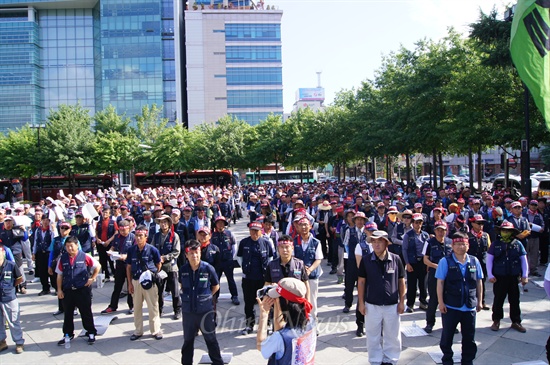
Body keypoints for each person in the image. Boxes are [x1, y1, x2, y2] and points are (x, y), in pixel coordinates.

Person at [357, 230, 405, 365]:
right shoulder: (366, 260)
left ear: (386, 243)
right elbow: (361, 282)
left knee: (393, 335)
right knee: (372, 335)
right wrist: (361, 303)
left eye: (379, 241)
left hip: (392, 304)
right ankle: (375, 359)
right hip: (372, 304)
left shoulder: (396, 259)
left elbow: (401, 281)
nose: (376, 245)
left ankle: (391, 358)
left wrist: (402, 301)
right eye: (374, 242)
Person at [436, 232, 483, 365]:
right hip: (451, 305)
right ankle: (447, 359)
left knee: (469, 337)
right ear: (452, 246)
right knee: (447, 336)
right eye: (457, 244)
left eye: (463, 244)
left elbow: (479, 282)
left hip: (469, 306)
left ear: (468, 245)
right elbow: (440, 283)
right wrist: (440, 302)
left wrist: (480, 301)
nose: (460, 247)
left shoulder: (474, 261)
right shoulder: (445, 261)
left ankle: (467, 361)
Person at [180, 239, 224, 365]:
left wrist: (206, 297)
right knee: (188, 341)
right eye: (191, 253)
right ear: (186, 254)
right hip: (188, 312)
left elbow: (216, 286)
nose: (195, 255)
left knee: (211, 339)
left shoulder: (208, 268)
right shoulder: (183, 270)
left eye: (197, 252)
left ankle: (217, 362)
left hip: (205, 311)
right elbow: (182, 286)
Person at [256, 277, 316, 365]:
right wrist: (278, 299)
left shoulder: (280, 337)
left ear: (286, 302)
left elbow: (260, 345)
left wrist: (264, 315)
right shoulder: (310, 320)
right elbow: (280, 328)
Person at [55, 236, 101, 345]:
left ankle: (90, 332)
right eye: (67, 246)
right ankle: (68, 333)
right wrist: (59, 290)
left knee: (86, 312)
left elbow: (97, 266)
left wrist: (92, 278)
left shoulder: (84, 256)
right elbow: (59, 275)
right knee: (68, 314)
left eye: (71, 246)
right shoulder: (63, 258)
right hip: (68, 290)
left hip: (82, 289)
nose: (69, 248)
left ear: (77, 245)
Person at [487, 220, 529, 333]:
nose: (506, 232)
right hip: (499, 277)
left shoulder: (517, 244)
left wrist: (525, 275)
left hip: (513, 276)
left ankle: (516, 321)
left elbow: (523, 260)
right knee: (498, 299)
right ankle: (496, 320)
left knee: (515, 300)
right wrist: (490, 274)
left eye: (508, 231)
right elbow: (489, 260)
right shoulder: (495, 244)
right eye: (504, 230)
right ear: (500, 231)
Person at [125, 225, 163, 340]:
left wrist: (153, 275)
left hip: (149, 282)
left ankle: (155, 330)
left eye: (141, 236)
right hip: (136, 281)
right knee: (137, 307)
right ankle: (138, 331)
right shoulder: (131, 250)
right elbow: (128, 267)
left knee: (153, 306)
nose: (138, 238)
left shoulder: (152, 249)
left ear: (146, 237)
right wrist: (130, 283)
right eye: (136, 236)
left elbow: (158, 264)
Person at [237, 221, 274, 335]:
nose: (254, 233)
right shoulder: (244, 242)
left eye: (257, 231)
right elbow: (239, 257)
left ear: (261, 231)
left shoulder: (266, 243)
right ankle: (249, 324)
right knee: (248, 303)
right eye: (252, 230)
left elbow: (271, 257)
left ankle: (267, 324)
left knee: (266, 302)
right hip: (248, 278)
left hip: (263, 279)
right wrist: (245, 268)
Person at [422, 220, 452, 333]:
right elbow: (425, 260)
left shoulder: (450, 242)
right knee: (433, 299)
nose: (440, 232)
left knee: (448, 299)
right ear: (435, 231)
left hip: (448, 276)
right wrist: (437, 266)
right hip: (434, 275)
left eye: (443, 230)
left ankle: (449, 324)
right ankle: (430, 323)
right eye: (438, 230)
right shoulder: (429, 242)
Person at [151, 214, 182, 319]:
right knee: (159, 291)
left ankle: (177, 310)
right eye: (161, 222)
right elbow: (152, 249)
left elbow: (176, 251)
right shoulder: (156, 236)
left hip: (171, 267)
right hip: (159, 268)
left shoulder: (174, 236)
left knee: (175, 290)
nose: (163, 224)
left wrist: (165, 257)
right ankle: (159, 310)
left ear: (169, 224)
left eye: (165, 222)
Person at [101, 219, 135, 315]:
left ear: (129, 228)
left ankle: (131, 305)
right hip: (119, 265)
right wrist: (110, 252)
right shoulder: (117, 237)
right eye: (121, 230)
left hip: (129, 265)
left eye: (125, 230)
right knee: (117, 286)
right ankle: (113, 306)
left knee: (130, 286)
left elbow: (136, 251)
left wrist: (126, 256)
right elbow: (113, 247)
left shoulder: (133, 237)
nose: (123, 232)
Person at [292, 216, 323, 319]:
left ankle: (313, 322)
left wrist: (309, 269)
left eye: (306, 225)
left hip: (312, 275)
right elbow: (292, 257)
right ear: (297, 227)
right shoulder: (294, 241)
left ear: (310, 226)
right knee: (298, 299)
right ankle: (301, 322)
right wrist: (300, 266)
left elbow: (318, 259)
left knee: (312, 300)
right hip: (298, 275)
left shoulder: (316, 242)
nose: (304, 227)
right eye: (301, 225)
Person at [402, 213, 430, 312]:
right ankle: (410, 304)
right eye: (416, 222)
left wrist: (428, 263)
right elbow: (404, 250)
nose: (418, 224)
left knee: (423, 284)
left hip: (423, 263)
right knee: (412, 285)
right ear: (412, 223)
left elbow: (428, 250)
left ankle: (423, 302)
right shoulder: (408, 235)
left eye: (420, 222)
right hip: (412, 262)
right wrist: (407, 263)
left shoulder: (425, 235)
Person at [0, 246, 25, 354]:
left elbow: (19, 279)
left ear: (3, 253)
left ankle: (19, 342)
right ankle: (2, 341)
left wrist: (10, 288)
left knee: (14, 321)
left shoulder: (11, 265)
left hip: (9, 297)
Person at [210, 216, 239, 305]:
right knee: (216, 280)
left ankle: (234, 296)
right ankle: (215, 297)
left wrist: (231, 257)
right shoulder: (212, 235)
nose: (220, 224)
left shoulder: (229, 234)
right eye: (218, 223)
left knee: (230, 279)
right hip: (217, 262)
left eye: (222, 223)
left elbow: (234, 246)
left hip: (228, 261)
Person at [467, 214, 491, 310]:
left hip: (483, 262)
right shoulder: (468, 236)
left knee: (482, 280)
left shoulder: (485, 235)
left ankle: (482, 301)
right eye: (478, 223)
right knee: (471, 280)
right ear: (472, 223)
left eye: (482, 223)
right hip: (471, 262)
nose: (481, 225)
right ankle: (470, 299)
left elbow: (489, 248)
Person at [32, 214, 56, 296]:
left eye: (47, 220)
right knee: (42, 272)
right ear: (41, 221)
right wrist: (34, 253)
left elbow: (54, 241)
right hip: (40, 253)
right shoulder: (38, 230)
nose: (45, 222)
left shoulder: (51, 230)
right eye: (44, 220)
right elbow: (35, 241)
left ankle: (56, 287)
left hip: (49, 253)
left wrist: (53, 230)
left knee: (52, 271)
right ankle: (45, 288)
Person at [95, 205, 118, 282]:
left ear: (109, 214)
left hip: (109, 244)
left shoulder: (113, 222)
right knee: (102, 260)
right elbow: (96, 231)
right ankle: (106, 275)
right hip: (101, 244)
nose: (104, 214)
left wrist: (109, 240)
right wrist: (97, 239)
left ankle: (115, 275)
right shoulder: (99, 223)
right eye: (103, 212)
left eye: (106, 213)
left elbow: (116, 232)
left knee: (111, 260)